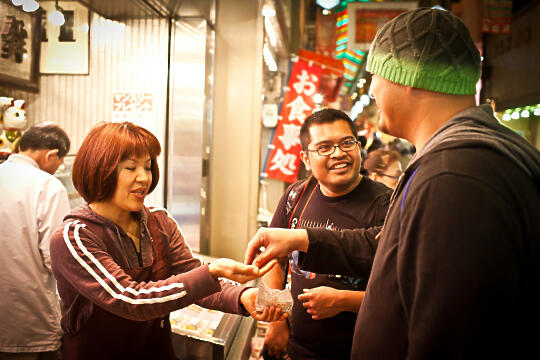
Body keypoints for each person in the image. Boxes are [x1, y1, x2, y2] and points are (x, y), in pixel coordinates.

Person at [246, 7, 540, 359]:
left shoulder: (455, 176)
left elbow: (450, 335)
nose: (371, 89)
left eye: (377, 75)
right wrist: (302, 238)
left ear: (409, 75)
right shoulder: (456, 160)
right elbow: (388, 247)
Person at [49, 122, 283, 360]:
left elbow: (194, 276)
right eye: (131, 168)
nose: (144, 178)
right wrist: (211, 272)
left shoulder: (158, 222)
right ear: (101, 170)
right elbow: (129, 299)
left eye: (148, 167)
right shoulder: (75, 237)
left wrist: (242, 296)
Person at [262, 108, 391, 359]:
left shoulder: (385, 204)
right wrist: (275, 321)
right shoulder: (295, 196)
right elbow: (272, 260)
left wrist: (344, 300)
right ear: (306, 159)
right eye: (324, 147)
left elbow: (400, 291)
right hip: (298, 347)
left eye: (346, 143)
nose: (338, 153)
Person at [0, 122, 71, 360]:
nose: (55, 170)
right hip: (31, 320)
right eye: (57, 164)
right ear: (51, 154)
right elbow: (56, 258)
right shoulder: (48, 186)